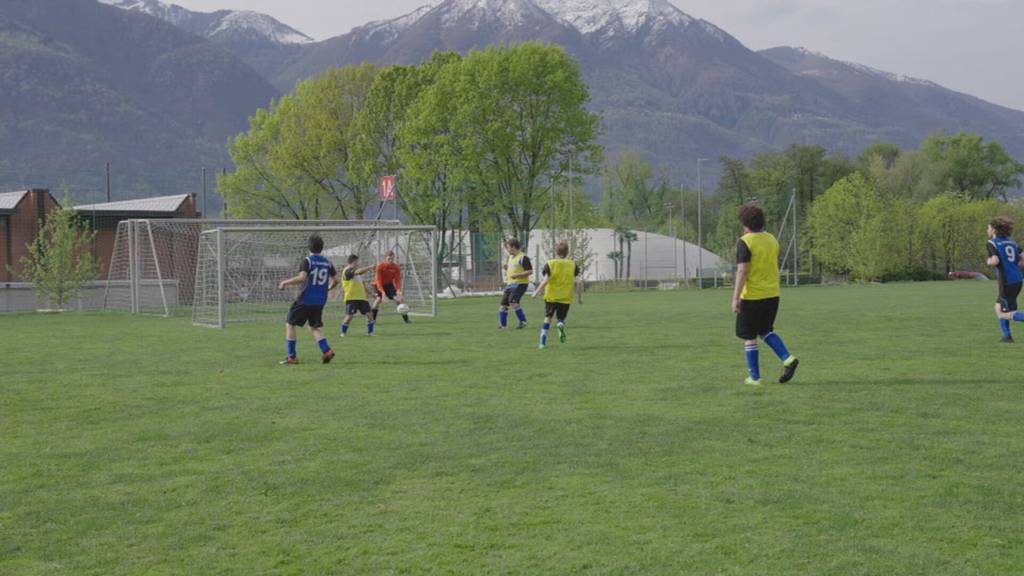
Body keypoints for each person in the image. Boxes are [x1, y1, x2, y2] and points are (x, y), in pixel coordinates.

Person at [732, 205, 799, 385]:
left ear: (745, 223)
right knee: (765, 330)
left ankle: (755, 378)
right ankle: (788, 359)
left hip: (752, 296)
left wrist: (736, 297)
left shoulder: (745, 242)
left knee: (749, 336)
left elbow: (743, 271)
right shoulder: (772, 239)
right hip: (772, 294)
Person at [277, 234, 338, 365]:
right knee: (314, 327)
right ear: (322, 248)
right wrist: (328, 288)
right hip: (320, 300)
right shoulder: (327, 262)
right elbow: (337, 280)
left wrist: (285, 282)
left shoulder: (308, 261)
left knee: (290, 324)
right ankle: (327, 351)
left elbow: (302, 278)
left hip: (306, 298)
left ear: (309, 247)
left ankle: (292, 357)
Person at [532, 240, 581, 349]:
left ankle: (542, 342)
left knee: (548, 317)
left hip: (551, 296)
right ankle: (560, 325)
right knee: (561, 318)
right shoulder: (572, 264)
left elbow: (545, 281)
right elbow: (578, 282)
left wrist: (536, 292)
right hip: (566, 297)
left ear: (556, 251)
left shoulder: (550, 263)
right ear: (567, 252)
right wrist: (579, 297)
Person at [986, 217, 1024, 343]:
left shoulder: (992, 242)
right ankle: (1007, 336)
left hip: (1006, 281)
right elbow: (1022, 258)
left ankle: (1007, 336)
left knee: (1003, 313)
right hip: (1018, 279)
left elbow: (995, 261)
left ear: (994, 230)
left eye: (989, 227)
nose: (988, 229)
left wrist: (989, 261)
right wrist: (1014, 265)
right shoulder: (1012, 243)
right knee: (1000, 307)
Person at [499, 237, 532, 329]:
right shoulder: (510, 258)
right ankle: (503, 326)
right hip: (510, 284)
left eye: (508, 247)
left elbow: (529, 271)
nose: (507, 250)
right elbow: (511, 270)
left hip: (520, 284)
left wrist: (518, 275)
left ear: (513, 247)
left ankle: (523, 321)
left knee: (513, 302)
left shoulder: (523, 257)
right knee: (503, 305)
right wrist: (506, 267)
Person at [340, 254, 376, 337]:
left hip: (362, 298)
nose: (358, 263)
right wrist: (370, 267)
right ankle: (343, 333)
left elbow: (363, 285)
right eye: (357, 262)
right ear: (353, 262)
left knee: (369, 314)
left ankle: (370, 332)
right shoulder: (347, 271)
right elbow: (358, 271)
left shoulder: (358, 275)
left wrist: (371, 294)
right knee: (350, 316)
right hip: (351, 298)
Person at [372, 250, 410, 324]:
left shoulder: (396, 267)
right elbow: (378, 280)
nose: (391, 260)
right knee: (378, 301)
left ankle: (406, 320)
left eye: (392, 258)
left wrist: (398, 290)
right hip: (378, 285)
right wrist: (383, 292)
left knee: (398, 300)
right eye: (389, 258)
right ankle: (373, 320)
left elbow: (398, 279)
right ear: (385, 258)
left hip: (389, 285)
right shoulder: (380, 266)